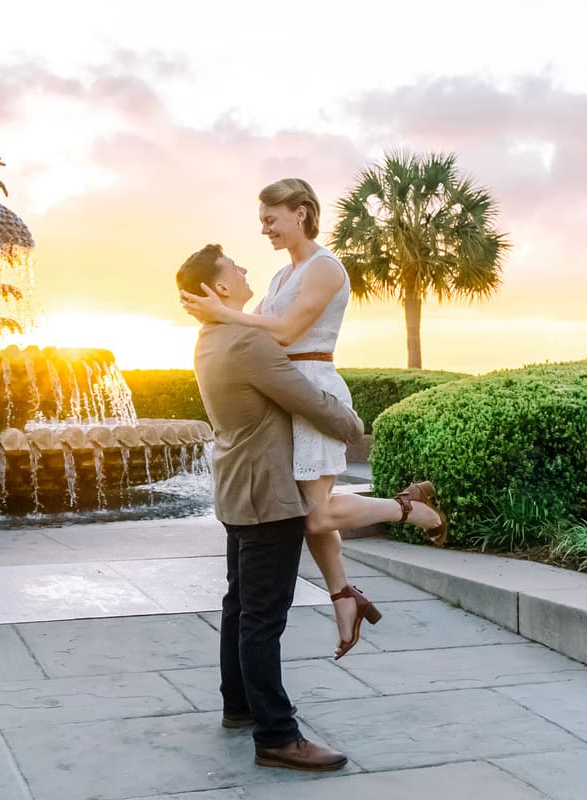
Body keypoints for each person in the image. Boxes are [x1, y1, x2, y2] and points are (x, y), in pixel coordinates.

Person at [181, 178, 447, 660]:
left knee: (315, 514)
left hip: (314, 388)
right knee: (310, 513)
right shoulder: (284, 276)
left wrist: (224, 311)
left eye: (270, 219)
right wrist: (219, 315)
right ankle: (344, 596)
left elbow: (284, 330)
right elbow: (256, 332)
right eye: (261, 220)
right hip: (285, 391)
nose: (264, 229)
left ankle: (407, 508)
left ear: (300, 213)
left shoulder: (324, 267)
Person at [177, 243, 362, 772]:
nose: (243, 269)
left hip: (239, 490)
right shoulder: (244, 342)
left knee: (240, 608)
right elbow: (306, 400)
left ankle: (238, 706)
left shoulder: (212, 337)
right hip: (268, 496)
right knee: (263, 618)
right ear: (218, 289)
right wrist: (353, 425)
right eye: (233, 268)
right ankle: (277, 736)